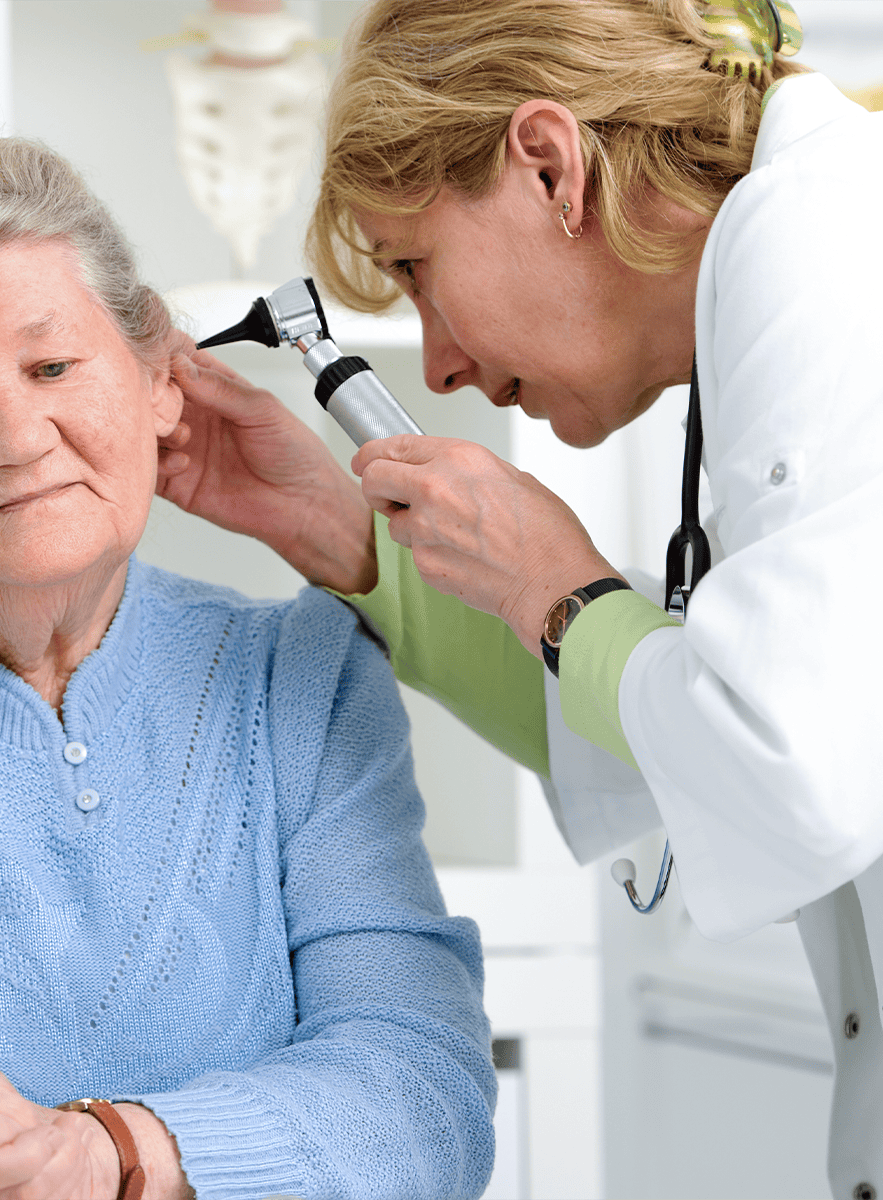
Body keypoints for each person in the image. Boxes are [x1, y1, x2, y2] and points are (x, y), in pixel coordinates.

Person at [0, 132, 497, 1200]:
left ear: (162, 379)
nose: (18, 435)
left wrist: (102, 1155)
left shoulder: (296, 676)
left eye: (52, 365)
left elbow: (422, 1094)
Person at [155, 0, 883, 1193]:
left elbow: (777, 765)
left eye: (417, 268)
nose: (438, 363)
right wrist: (337, 531)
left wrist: (557, 582)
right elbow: (664, 721)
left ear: (550, 166)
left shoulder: (823, 238)